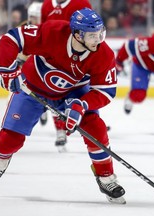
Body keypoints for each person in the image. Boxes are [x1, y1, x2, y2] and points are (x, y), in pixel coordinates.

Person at [0, 8, 126, 204]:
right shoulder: (52, 32)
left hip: (73, 94)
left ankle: (106, 177)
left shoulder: (103, 54)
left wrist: (82, 104)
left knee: (96, 128)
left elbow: (105, 91)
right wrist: (7, 71)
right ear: (77, 35)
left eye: (100, 33)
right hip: (33, 88)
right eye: (92, 35)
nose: (98, 39)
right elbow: (11, 39)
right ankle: (2, 156)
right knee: (9, 141)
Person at [40, 0, 92, 150]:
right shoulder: (47, 5)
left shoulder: (82, 3)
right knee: (53, 94)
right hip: (52, 58)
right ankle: (60, 131)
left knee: (80, 93)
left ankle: (90, 121)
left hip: (75, 58)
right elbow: (43, 30)